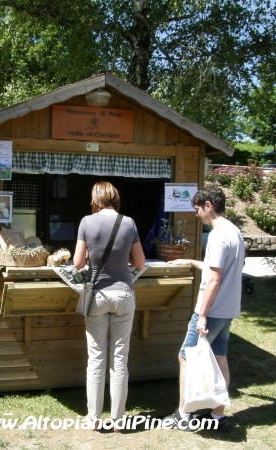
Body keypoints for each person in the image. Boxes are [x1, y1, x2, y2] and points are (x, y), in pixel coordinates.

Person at [164, 184, 245, 432]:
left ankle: (184, 415)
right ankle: (217, 416)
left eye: (197, 209)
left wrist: (202, 315)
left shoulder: (218, 235)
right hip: (228, 309)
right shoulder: (234, 231)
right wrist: (190, 261)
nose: (196, 214)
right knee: (220, 358)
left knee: (185, 357)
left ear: (208, 206)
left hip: (211, 311)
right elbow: (217, 267)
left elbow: (215, 278)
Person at [73, 181, 146, 431]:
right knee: (119, 359)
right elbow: (139, 262)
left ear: (95, 198)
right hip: (124, 295)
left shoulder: (86, 222)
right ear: (115, 197)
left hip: (97, 297)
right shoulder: (129, 223)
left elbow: (78, 263)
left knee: (96, 358)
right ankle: (118, 419)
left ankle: (94, 418)